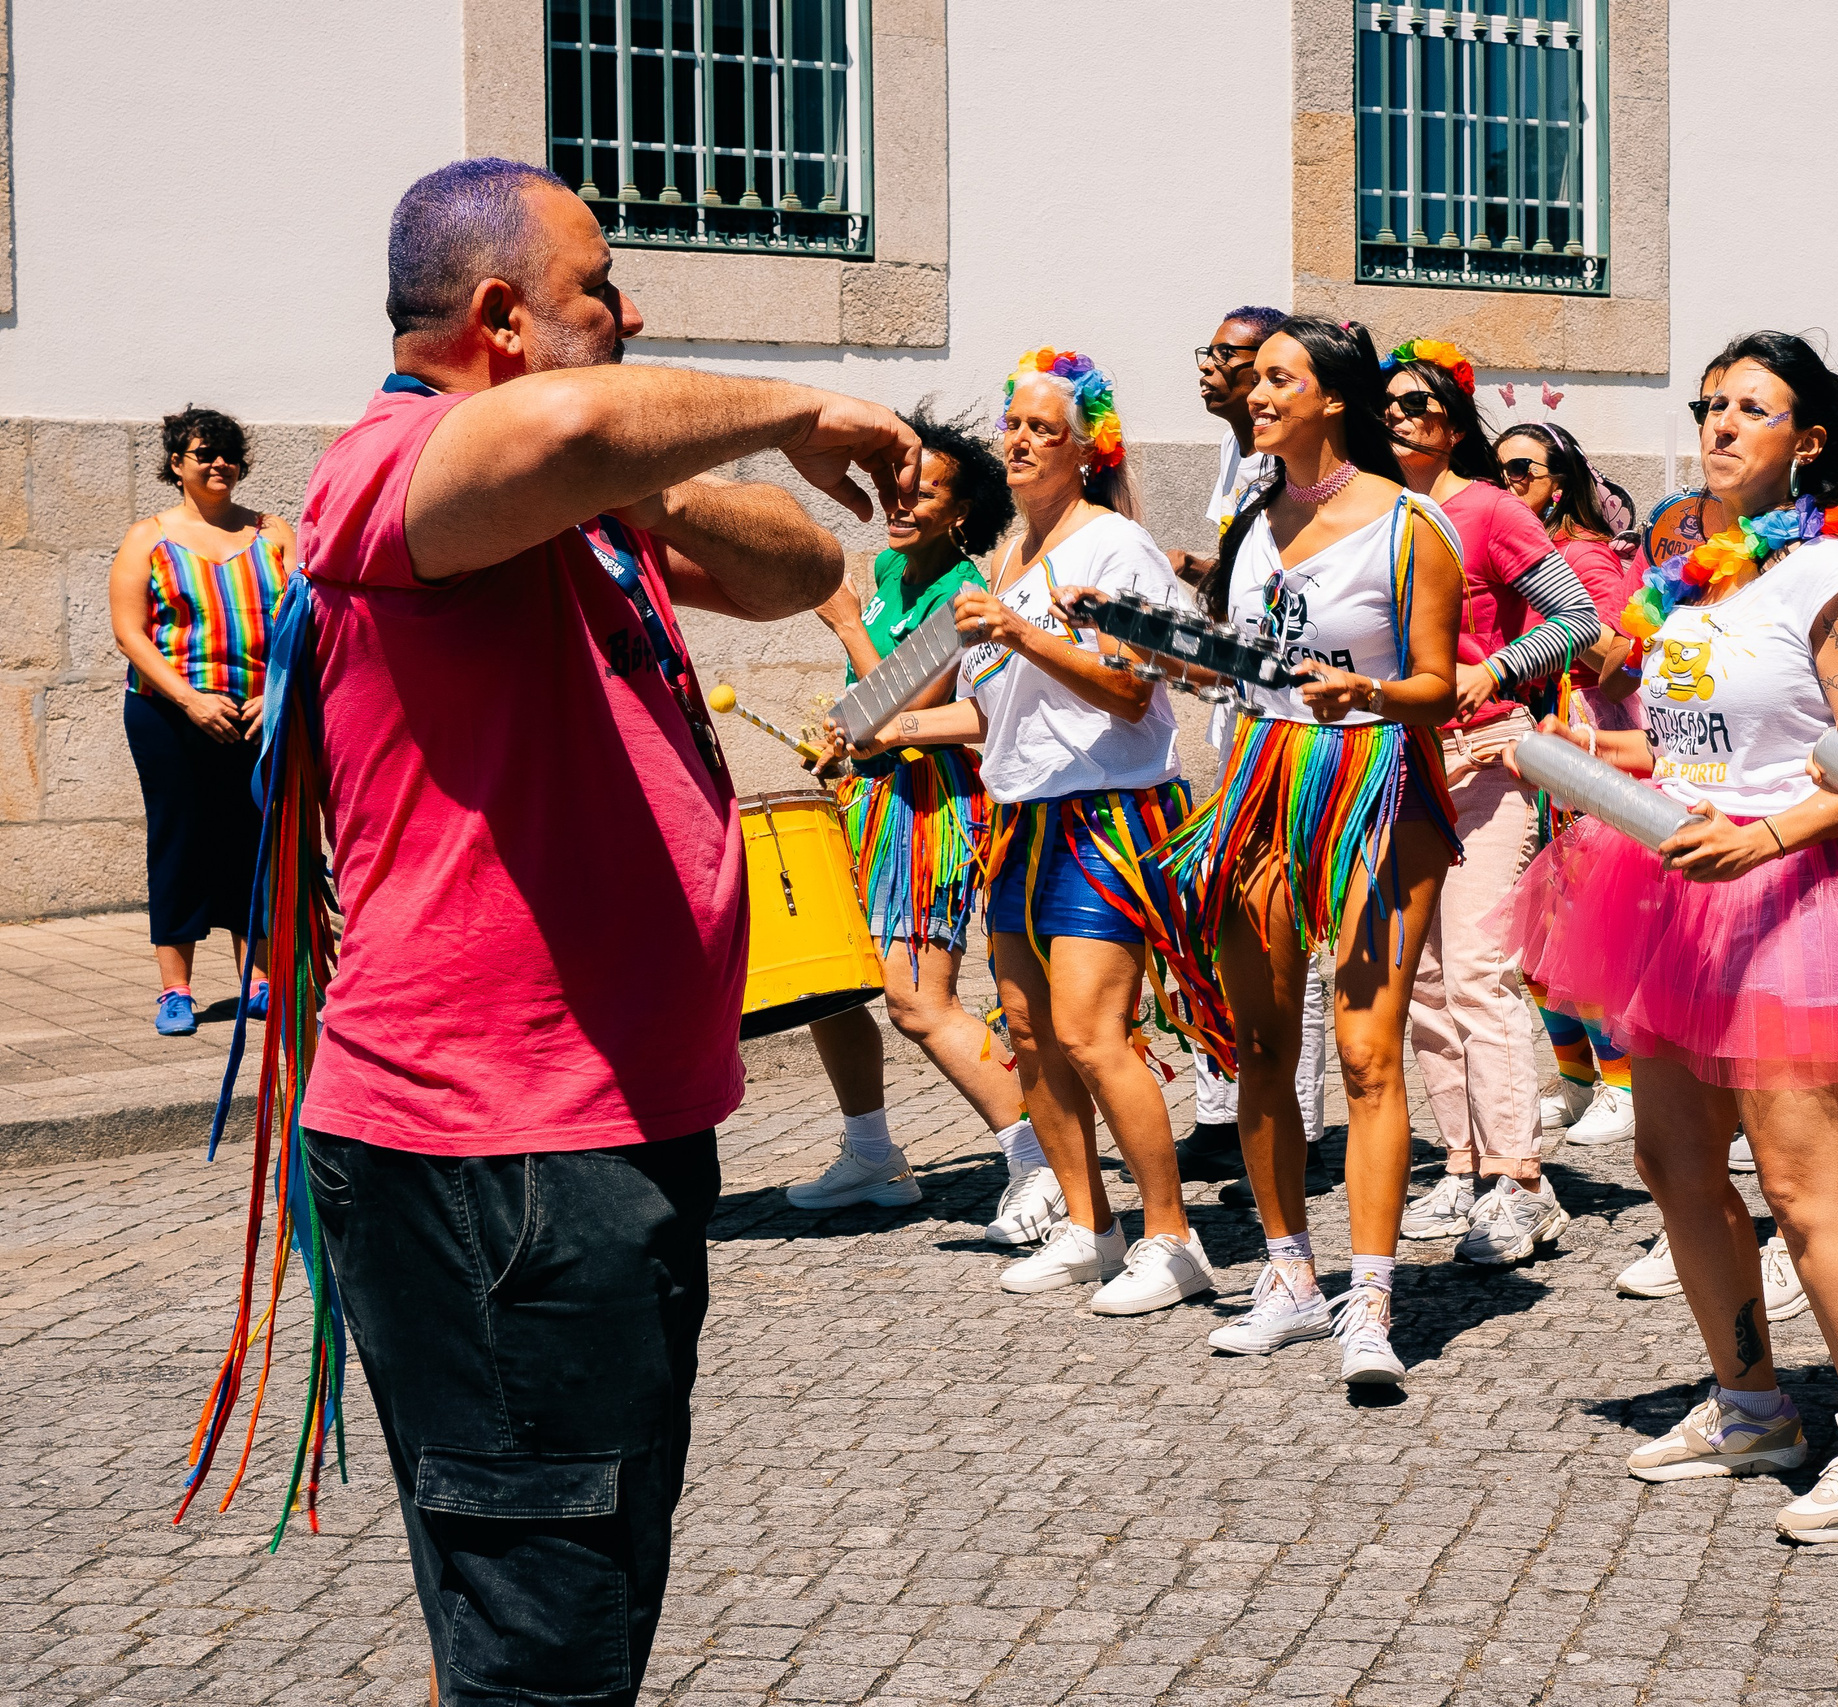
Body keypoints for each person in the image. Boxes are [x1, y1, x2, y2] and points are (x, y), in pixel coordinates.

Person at [288, 158, 920, 1707]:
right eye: (600, 292)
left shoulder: (579, 506)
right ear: (502, 318)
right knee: (543, 1639)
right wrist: (788, 407)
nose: (630, 314)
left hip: (604, 1136)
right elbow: (570, 422)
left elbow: (803, 570)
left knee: (565, 1605)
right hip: (493, 1155)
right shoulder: (393, 464)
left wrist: (668, 484)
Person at [1500, 332, 1838, 1546]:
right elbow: (1697, 751)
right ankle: (1752, 1403)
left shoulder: (1837, 582)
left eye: (1752, 407)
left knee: (1807, 1191)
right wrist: (1573, 751)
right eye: (1711, 404)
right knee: (1674, 1169)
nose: (1720, 424)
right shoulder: (1696, 577)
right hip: (1677, 895)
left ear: (1808, 440)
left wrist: (1765, 842)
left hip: (1801, 895)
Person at [843, 346, 1233, 1316]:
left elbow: (1135, 686)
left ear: (1084, 450)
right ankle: (1087, 1228)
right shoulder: (1010, 558)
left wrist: (1020, 632)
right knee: (1027, 1033)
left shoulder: (1115, 547)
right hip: (1019, 818)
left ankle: (1170, 1238)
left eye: (1040, 429)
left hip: (1109, 813)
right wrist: (883, 734)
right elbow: (992, 716)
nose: (1017, 441)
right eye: (1012, 425)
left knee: (1094, 1035)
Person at [1161, 316, 1464, 1385]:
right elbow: (1248, 662)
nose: (1257, 393)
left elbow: (1439, 682)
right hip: (1259, 777)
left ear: (1334, 397)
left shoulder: (1410, 523)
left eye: (1280, 378)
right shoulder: (1253, 515)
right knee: (1259, 1044)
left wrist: (1371, 693)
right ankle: (1289, 1274)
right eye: (1255, 381)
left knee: (1368, 1050)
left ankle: (1371, 1297)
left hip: (1373, 779)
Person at [786, 407, 1045, 1236]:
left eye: (922, 494)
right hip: (870, 804)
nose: (898, 506)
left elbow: (899, 706)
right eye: (892, 488)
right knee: (825, 983)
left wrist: (845, 621)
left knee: (919, 999)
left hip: (930, 817)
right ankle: (871, 1155)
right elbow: (865, 718)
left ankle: (1040, 1162)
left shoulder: (965, 593)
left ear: (961, 511)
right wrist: (835, 745)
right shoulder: (891, 571)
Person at [1381, 339, 1602, 1262]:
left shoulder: (1492, 509)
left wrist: (1496, 669)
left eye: (1424, 405)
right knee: (1423, 985)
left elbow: (1578, 622)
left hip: (1488, 756)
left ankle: (1522, 1181)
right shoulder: (1378, 513)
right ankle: (1464, 1166)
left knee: (1475, 971)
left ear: (1456, 420)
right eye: (1390, 404)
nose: (1403, 417)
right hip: (1398, 764)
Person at [1164, 304, 1330, 1183]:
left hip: (1302, 731)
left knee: (1286, 925)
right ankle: (1229, 1106)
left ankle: (1293, 1117)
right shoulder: (1240, 461)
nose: (1213, 369)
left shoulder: (1304, 471)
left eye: (1232, 356)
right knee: (1227, 909)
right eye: (1222, 355)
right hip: (1241, 716)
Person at [108, 406, 292, 1036]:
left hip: (257, 716)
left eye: (228, 452)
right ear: (176, 465)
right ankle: (175, 991)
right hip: (169, 715)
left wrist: (278, 693)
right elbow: (131, 635)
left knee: (255, 840)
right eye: (202, 453)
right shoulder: (148, 538)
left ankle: (260, 981)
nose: (218, 462)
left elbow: (305, 622)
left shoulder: (274, 533)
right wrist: (190, 699)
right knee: (179, 839)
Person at [1492, 419, 1641, 1149]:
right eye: (1500, 472)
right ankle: (1577, 1078)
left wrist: (1564, 642)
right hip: (1544, 750)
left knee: (1584, 927)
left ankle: (1622, 1084)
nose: (1509, 482)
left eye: (1523, 469)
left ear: (1561, 481)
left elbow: (1625, 656)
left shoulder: (1582, 556)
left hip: (1590, 747)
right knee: (1540, 927)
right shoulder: (1525, 553)